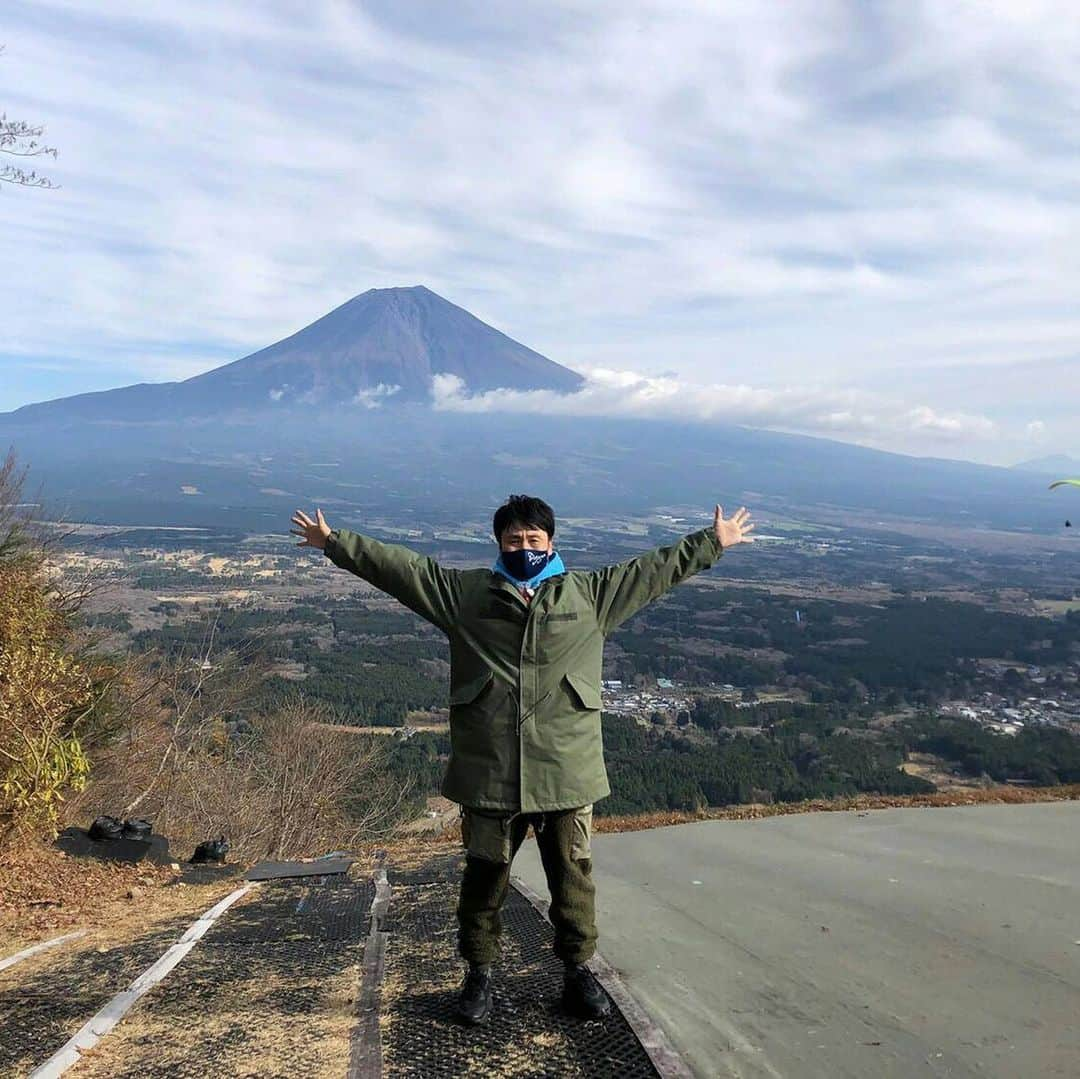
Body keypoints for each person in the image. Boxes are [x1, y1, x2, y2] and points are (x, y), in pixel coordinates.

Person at [290, 495, 755, 1025]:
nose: (525, 547)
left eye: (534, 539)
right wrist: (334, 543)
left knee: (572, 878)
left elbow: (651, 571)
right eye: (515, 539)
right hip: (493, 770)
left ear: (552, 543)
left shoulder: (590, 595)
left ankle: (578, 973)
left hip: (565, 768)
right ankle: (479, 976)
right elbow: (402, 570)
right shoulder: (465, 596)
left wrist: (712, 542)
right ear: (500, 543)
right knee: (484, 878)